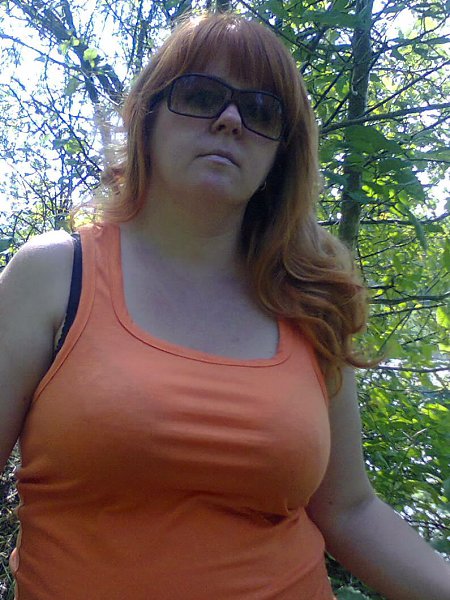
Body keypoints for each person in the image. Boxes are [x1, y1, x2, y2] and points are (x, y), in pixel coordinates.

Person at [0, 11, 449, 600]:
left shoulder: (310, 302)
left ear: (280, 154)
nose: (231, 119)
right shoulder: (56, 274)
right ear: (148, 117)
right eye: (200, 95)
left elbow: (351, 510)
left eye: (261, 111)